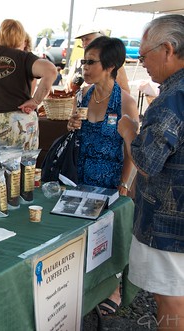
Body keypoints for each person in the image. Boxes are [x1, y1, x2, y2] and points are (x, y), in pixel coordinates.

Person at [117, 14, 184, 330]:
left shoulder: (172, 98)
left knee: (170, 297)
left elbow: (147, 162)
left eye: (144, 55)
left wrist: (130, 131)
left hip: (169, 224)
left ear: (168, 50)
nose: (141, 62)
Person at [67, 36, 138, 316]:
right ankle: (84, 285)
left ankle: (113, 288)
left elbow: (133, 150)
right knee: (79, 236)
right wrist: (72, 125)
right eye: (84, 61)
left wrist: (123, 184)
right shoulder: (83, 95)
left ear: (109, 66)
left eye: (91, 62)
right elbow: (74, 135)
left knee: (106, 239)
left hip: (109, 182)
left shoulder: (126, 102)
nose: (84, 67)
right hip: (79, 179)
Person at [0, 19, 56, 149]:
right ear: (21, 37)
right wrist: (36, 100)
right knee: (23, 167)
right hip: (19, 120)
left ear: (0, 36)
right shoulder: (24, 57)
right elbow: (51, 71)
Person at [67, 24, 130, 94]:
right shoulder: (78, 63)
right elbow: (67, 88)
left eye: (87, 39)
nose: (84, 43)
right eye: (82, 40)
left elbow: (125, 92)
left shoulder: (111, 64)